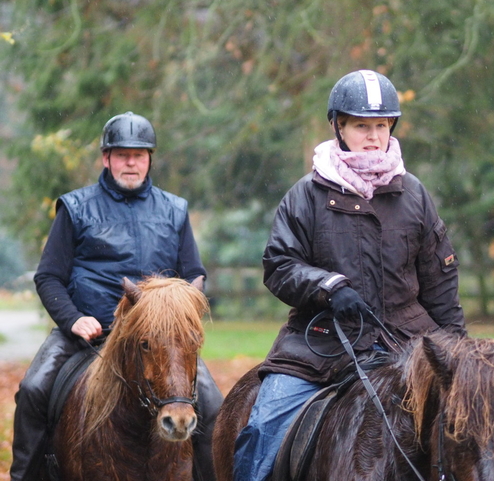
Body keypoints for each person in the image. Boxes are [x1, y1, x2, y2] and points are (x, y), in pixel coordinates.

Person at [233, 70, 467, 481]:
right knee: (262, 429)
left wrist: (457, 353)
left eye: (381, 125)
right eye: (361, 126)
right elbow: (279, 266)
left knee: (467, 434)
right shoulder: (305, 195)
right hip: (318, 344)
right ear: (338, 126)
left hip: (406, 344)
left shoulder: (414, 195)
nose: (373, 136)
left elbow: (440, 282)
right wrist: (327, 287)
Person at [10, 111, 223, 481]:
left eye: (138, 155)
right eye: (122, 154)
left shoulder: (174, 210)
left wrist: (182, 305)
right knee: (33, 389)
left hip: (159, 340)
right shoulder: (75, 208)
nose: (131, 162)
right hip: (88, 334)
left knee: (214, 403)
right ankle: (25, 476)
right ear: (106, 158)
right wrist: (74, 318)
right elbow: (49, 276)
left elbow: (194, 274)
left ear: (149, 159)